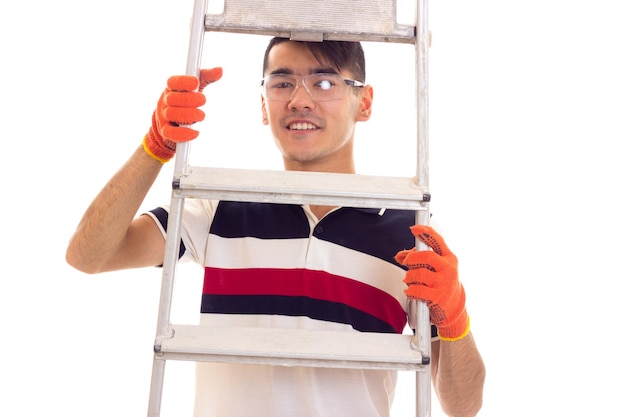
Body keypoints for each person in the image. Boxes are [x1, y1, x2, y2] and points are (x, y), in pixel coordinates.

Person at [66, 37, 485, 417]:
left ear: (365, 101)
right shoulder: (219, 205)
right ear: (263, 106)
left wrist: (456, 319)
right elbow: (88, 255)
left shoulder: (408, 236)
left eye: (324, 83)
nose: (300, 101)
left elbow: (463, 407)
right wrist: (153, 148)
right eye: (282, 84)